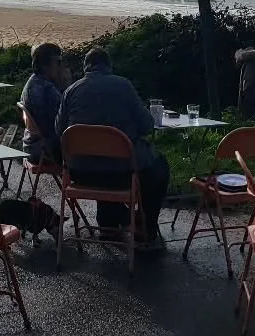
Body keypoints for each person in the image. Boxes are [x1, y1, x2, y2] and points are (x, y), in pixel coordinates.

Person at [55, 47, 170, 251]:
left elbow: (59, 130)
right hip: (121, 174)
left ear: (85, 67)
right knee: (158, 168)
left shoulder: (71, 91)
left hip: (81, 173)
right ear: (109, 66)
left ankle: (108, 225)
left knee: (101, 159)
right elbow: (146, 125)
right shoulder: (123, 86)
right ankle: (145, 228)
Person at [20, 41, 68, 161]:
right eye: (58, 62)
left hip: (31, 145)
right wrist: (66, 87)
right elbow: (63, 121)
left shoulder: (33, 81)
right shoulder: (47, 90)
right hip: (46, 149)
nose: (61, 67)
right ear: (45, 65)